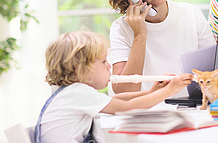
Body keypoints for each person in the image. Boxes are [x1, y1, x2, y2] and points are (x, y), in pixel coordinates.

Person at [35, 31, 193, 143]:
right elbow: (124, 108)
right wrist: (169, 90)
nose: (109, 66)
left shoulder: (71, 93)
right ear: (81, 70)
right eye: (103, 61)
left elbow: (114, 100)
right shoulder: (77, 93)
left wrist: (151, 92)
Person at [104, 0, 215, 97]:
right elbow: (124, 93)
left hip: (190, 109)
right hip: (145, 112)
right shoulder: (121, 29)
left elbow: (214, 73)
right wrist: (140, 36)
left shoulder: (191, 14)